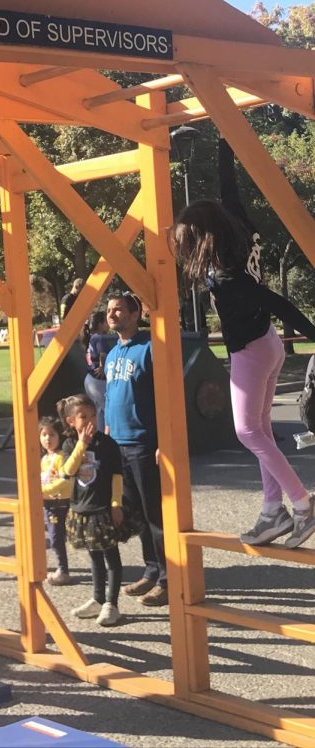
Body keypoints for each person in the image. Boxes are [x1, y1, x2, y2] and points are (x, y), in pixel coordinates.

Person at [171, 139, 315, 548]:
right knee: (263, 430)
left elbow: (278, 302)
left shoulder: (229, 276)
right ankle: (273, 511)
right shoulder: (239, 226)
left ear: (203, 239)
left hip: (251, 350)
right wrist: (225, 138)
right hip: (268, 343)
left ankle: (302, 504)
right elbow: (229, 184)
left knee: (248, 432)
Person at [104, 293, 168, 607]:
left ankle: (169, 579)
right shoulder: (112, 353)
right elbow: (109, 398)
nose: (112, 314)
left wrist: (163, 443)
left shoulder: (150, 349)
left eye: (118, 309)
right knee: (139, 516)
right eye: (109, 310)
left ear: (135, 313)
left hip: (144, 445)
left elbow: (165, 398)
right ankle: (151, 570)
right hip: (119, 445)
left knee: (156, 514)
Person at [56, 394, 126, 626]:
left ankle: (111, 604)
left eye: (93, 416)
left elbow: (117, 476)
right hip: (81, 507)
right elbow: (68, 470)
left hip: (103, 508)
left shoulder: (107, 444)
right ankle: (97, 598)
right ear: (70, 421)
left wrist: (116, 504)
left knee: (111, 557)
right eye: (83, 417)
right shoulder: (68, 444)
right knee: (94, 555)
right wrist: (82, 444)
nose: (90, 422)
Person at [38, 416, 72, 586]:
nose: (47, 439)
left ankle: (63, 571)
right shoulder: (44, 459)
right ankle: (62, 568)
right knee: (55, 538)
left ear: (59, 436)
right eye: (44, 434)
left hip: (60, 503)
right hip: (48, 503)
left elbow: (64, 481)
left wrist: (42, 491)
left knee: (57, 538)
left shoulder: (60, 457)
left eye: (51, 434)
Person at [83, 310, 116, 431]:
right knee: (105, 408)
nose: (107, 324)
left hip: (90, 378)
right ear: (100, 324)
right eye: (105, 321)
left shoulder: (91, 337)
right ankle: (104, 435)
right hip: (98, 379)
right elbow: (103, 354)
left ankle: (99, 433)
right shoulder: (99, 338)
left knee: (98, 410)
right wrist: (102, 366)